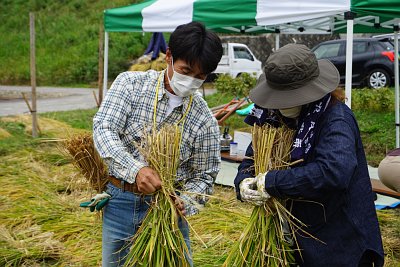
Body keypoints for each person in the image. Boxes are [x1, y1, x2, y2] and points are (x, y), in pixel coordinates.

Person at [234, 43, 384, 266]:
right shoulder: (271, 118)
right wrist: (243, 182)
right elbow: (252, 159)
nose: (281, 105)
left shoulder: (335, 119)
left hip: (337, 240)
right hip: (293, 240)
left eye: (288, 97)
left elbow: (333, 171)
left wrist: (272, 181)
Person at [93, 21, 222, 267]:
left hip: (169, 211)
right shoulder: (130, 85)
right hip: (121, 200)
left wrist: (185, 202)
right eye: (185, 71)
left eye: (200, 77)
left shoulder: (203, 118)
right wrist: (136, 170)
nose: (191, 81)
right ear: (169, 57)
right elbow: (104, 129)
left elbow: (205, 175)